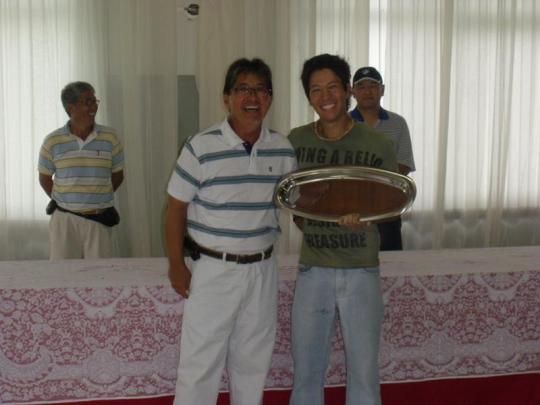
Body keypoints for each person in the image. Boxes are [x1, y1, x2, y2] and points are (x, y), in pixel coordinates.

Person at [165, 58, 297, 405]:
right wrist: (176, 264)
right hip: (213, 270)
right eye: (243, 89)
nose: (252, 97)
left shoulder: (283, 148)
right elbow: (175, 208)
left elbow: (294, 205)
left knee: (253, 365)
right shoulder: (200, 146)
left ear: (270, 98)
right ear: (227, 98)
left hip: (263, 269)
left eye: (260, 90)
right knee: (200, 366)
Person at [288, 54, 397, 405]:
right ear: (308, 96)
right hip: (312, 269)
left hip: (361, 268)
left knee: (363, 375)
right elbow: (292, 202)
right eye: (316, 90)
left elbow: (391, 204)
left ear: (347, 90)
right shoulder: (296, 141)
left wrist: (366, 217)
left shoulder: (377, 145)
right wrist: (309, 214)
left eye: (332, 87)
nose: (326, 97)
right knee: (306, 374)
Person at [38, 81, 124, 259]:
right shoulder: (52, 141)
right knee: (62, 272)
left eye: (94, 101)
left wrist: (96, 198)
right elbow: (44, 178)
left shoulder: (110, 137)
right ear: (71, 108)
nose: (94, 107)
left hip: (99, 220)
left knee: (100, 272)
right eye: (88, 102)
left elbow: (118, 175)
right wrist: (67, 201)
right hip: (64, 221)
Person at [350, 66, 415, 250]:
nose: (367, 91)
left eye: (373, 86)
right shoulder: (343, 123)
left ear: (382, 90)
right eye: (361, 86)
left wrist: (377, 189)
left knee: (392, 264)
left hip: (388, 208)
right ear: (352, 92)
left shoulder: (398, 123)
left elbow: (404, 164)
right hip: (352, 210)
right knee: (353, 263)